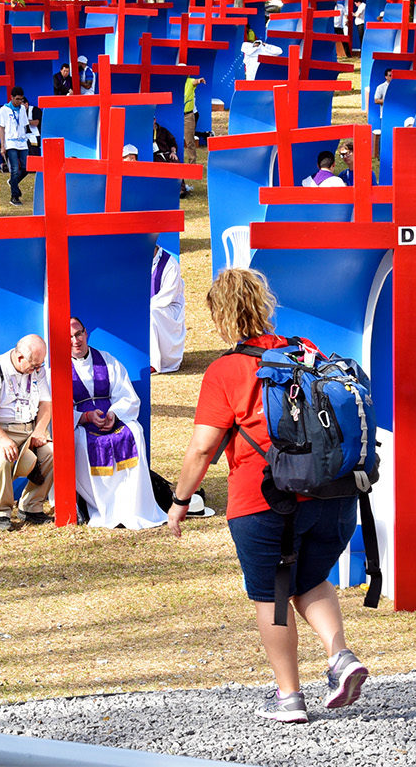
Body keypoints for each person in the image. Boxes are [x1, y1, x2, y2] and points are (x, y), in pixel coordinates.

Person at [167, 268, 369, 723]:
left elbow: (202, 448)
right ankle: (339, 657)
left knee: (275, 595)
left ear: (219, 316)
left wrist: (179, 503)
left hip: (265, 502)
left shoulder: (226, 370)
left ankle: (289, 698)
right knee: (312, 580)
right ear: (264, 305)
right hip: (333, 495)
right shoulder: (306, 351)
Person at [69, 318, 165, 530]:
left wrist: (114, 414)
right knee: (83, 443)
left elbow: (127, 395)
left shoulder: (107, 360)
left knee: (134, 431)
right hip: (83, 425)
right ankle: (104, 508)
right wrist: (84, 418)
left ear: (86, 333)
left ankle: (134, 507)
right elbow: (55, 408)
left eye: (78, 334)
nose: (75, 340)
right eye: (69, 337)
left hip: (110, 419)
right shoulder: (57, 369)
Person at [0, 333, 55, 530]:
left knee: (52, 453)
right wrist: (3, 439)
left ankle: (31, 507)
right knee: (2, 457)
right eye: (34, 365)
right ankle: (0, 513)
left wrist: (40, 431)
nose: (38, 370)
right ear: (19, 358)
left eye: (40, 365)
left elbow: (46, 403)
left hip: (26, 428)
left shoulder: (37, 370)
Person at [151, 244, 186, 373]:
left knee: (152, 313)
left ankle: (155, 362)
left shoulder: (169, 264)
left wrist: (143, 306)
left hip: (168, 309)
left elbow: (167, 296)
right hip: (152, 306)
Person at [0, 87, 33, 205]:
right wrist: (3, 146)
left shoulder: (22, 108)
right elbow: (1, 129)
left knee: (27, 167)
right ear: (11, 98)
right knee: (14, 169)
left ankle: (13, 181)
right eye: (17, 99)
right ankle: (14, 196)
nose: (19, 102)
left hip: (22, 142)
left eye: (21, 99)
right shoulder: (4, 109)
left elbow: (24, 125)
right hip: (10, 142)